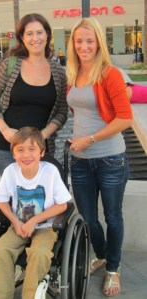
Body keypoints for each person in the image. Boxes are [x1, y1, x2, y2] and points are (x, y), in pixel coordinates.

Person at [66, 18, 133, 297]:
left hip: (110, 160)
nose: (84, 46)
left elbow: (125, 119)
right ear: (73, 44)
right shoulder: (73, 71)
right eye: (79, 41)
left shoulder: (110, 73)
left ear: (98, 43)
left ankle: (113, 269)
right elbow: (79, 111)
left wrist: (90, 138)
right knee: (89, 218)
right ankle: (104, 255)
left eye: (89, 41)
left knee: (113, 217)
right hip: (80, 160)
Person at [0, 126, 71, 299]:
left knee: (39, 253)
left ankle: (30, 295)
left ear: (41, 152)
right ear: (13, 154)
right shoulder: (11, 171)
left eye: (31, 149)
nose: (26, 155)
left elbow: (62, 205)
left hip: (46, 226)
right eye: (20, 150)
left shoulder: (50, 172)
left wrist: (34, 221)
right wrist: (16, 221)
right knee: (0, 250)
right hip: (18, 226)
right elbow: (1, 201)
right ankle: (0, 296)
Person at [0, 13, 68, 175]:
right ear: (22, 37)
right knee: (14, 197)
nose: (35, 38)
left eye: (39, 32)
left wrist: (42, 136)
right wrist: (5, 129)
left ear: (47, 35)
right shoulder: (10, 64)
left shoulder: (58, 72)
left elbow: (62, 111)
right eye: (29, 33)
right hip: (6, 148)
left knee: (39, 197)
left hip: (40, 150)